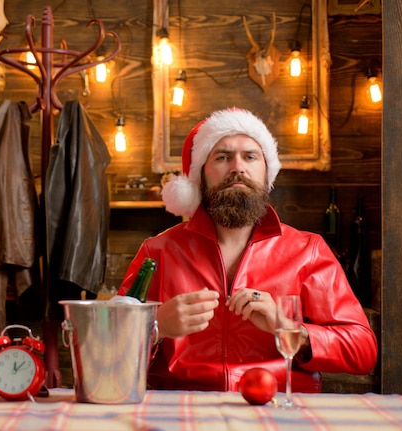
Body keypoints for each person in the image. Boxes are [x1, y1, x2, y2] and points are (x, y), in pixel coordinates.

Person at [117, 108, 378, 392]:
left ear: (267, 172)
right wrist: (156, 327)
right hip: (182, 409)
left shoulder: (309, 250)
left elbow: (363, 351)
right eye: (223, 157)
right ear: (200, 176)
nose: (237, 167)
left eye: (250, 156)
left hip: (281, 411)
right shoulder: (158, 251)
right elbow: (104, 350)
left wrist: (290, 330)